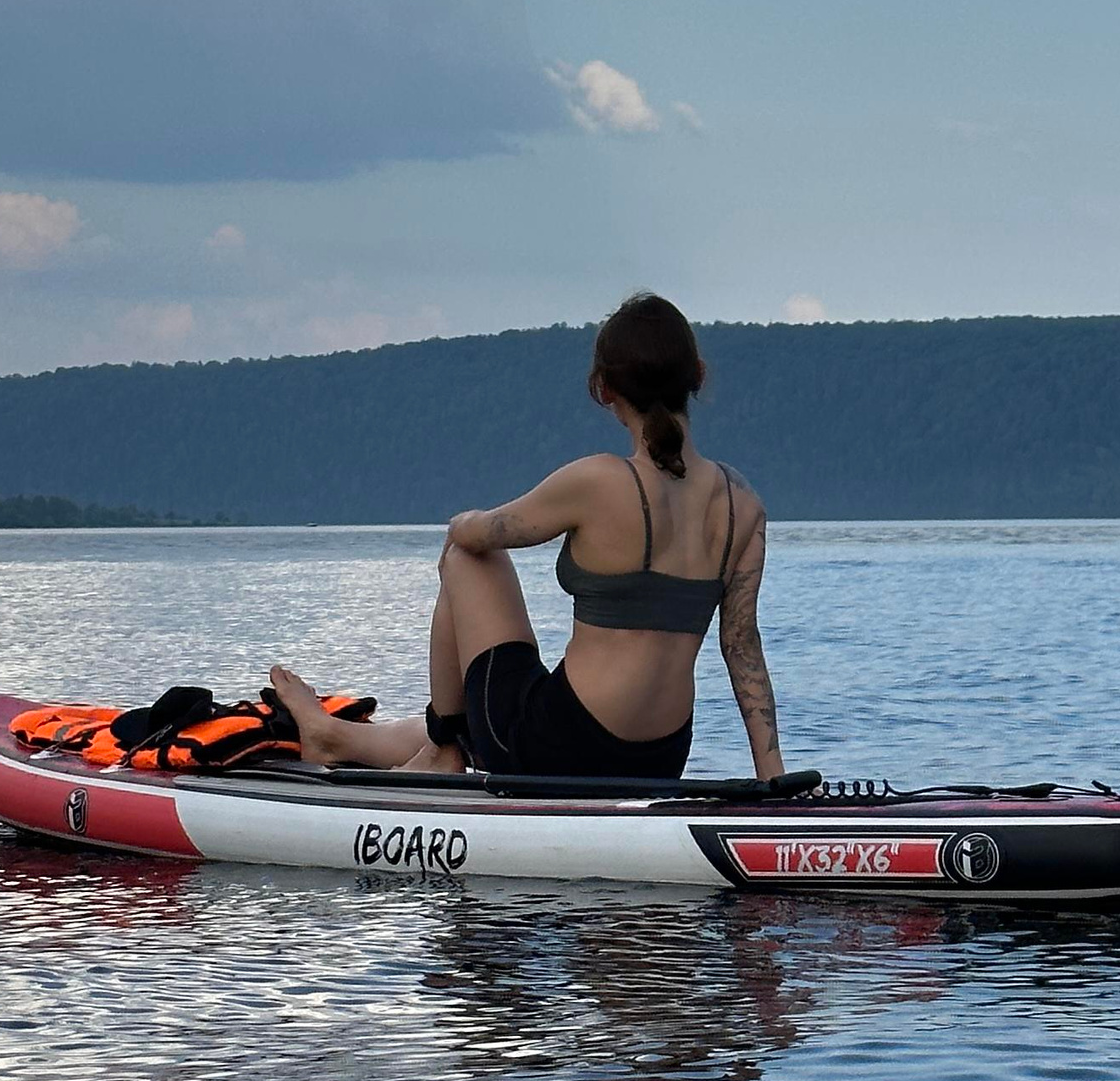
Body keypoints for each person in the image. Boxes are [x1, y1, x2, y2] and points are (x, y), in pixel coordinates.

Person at [271, 292, 782, 783]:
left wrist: (466, 518)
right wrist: (773, 781)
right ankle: (338, 736)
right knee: (498, 701)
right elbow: (741, 648)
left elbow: (472, 534)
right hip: (659, 760)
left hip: (557, 748)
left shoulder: (599, 480)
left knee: (465, 558)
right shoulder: (743, 505)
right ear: (698, 374)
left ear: (603, 388)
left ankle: (442, 752)